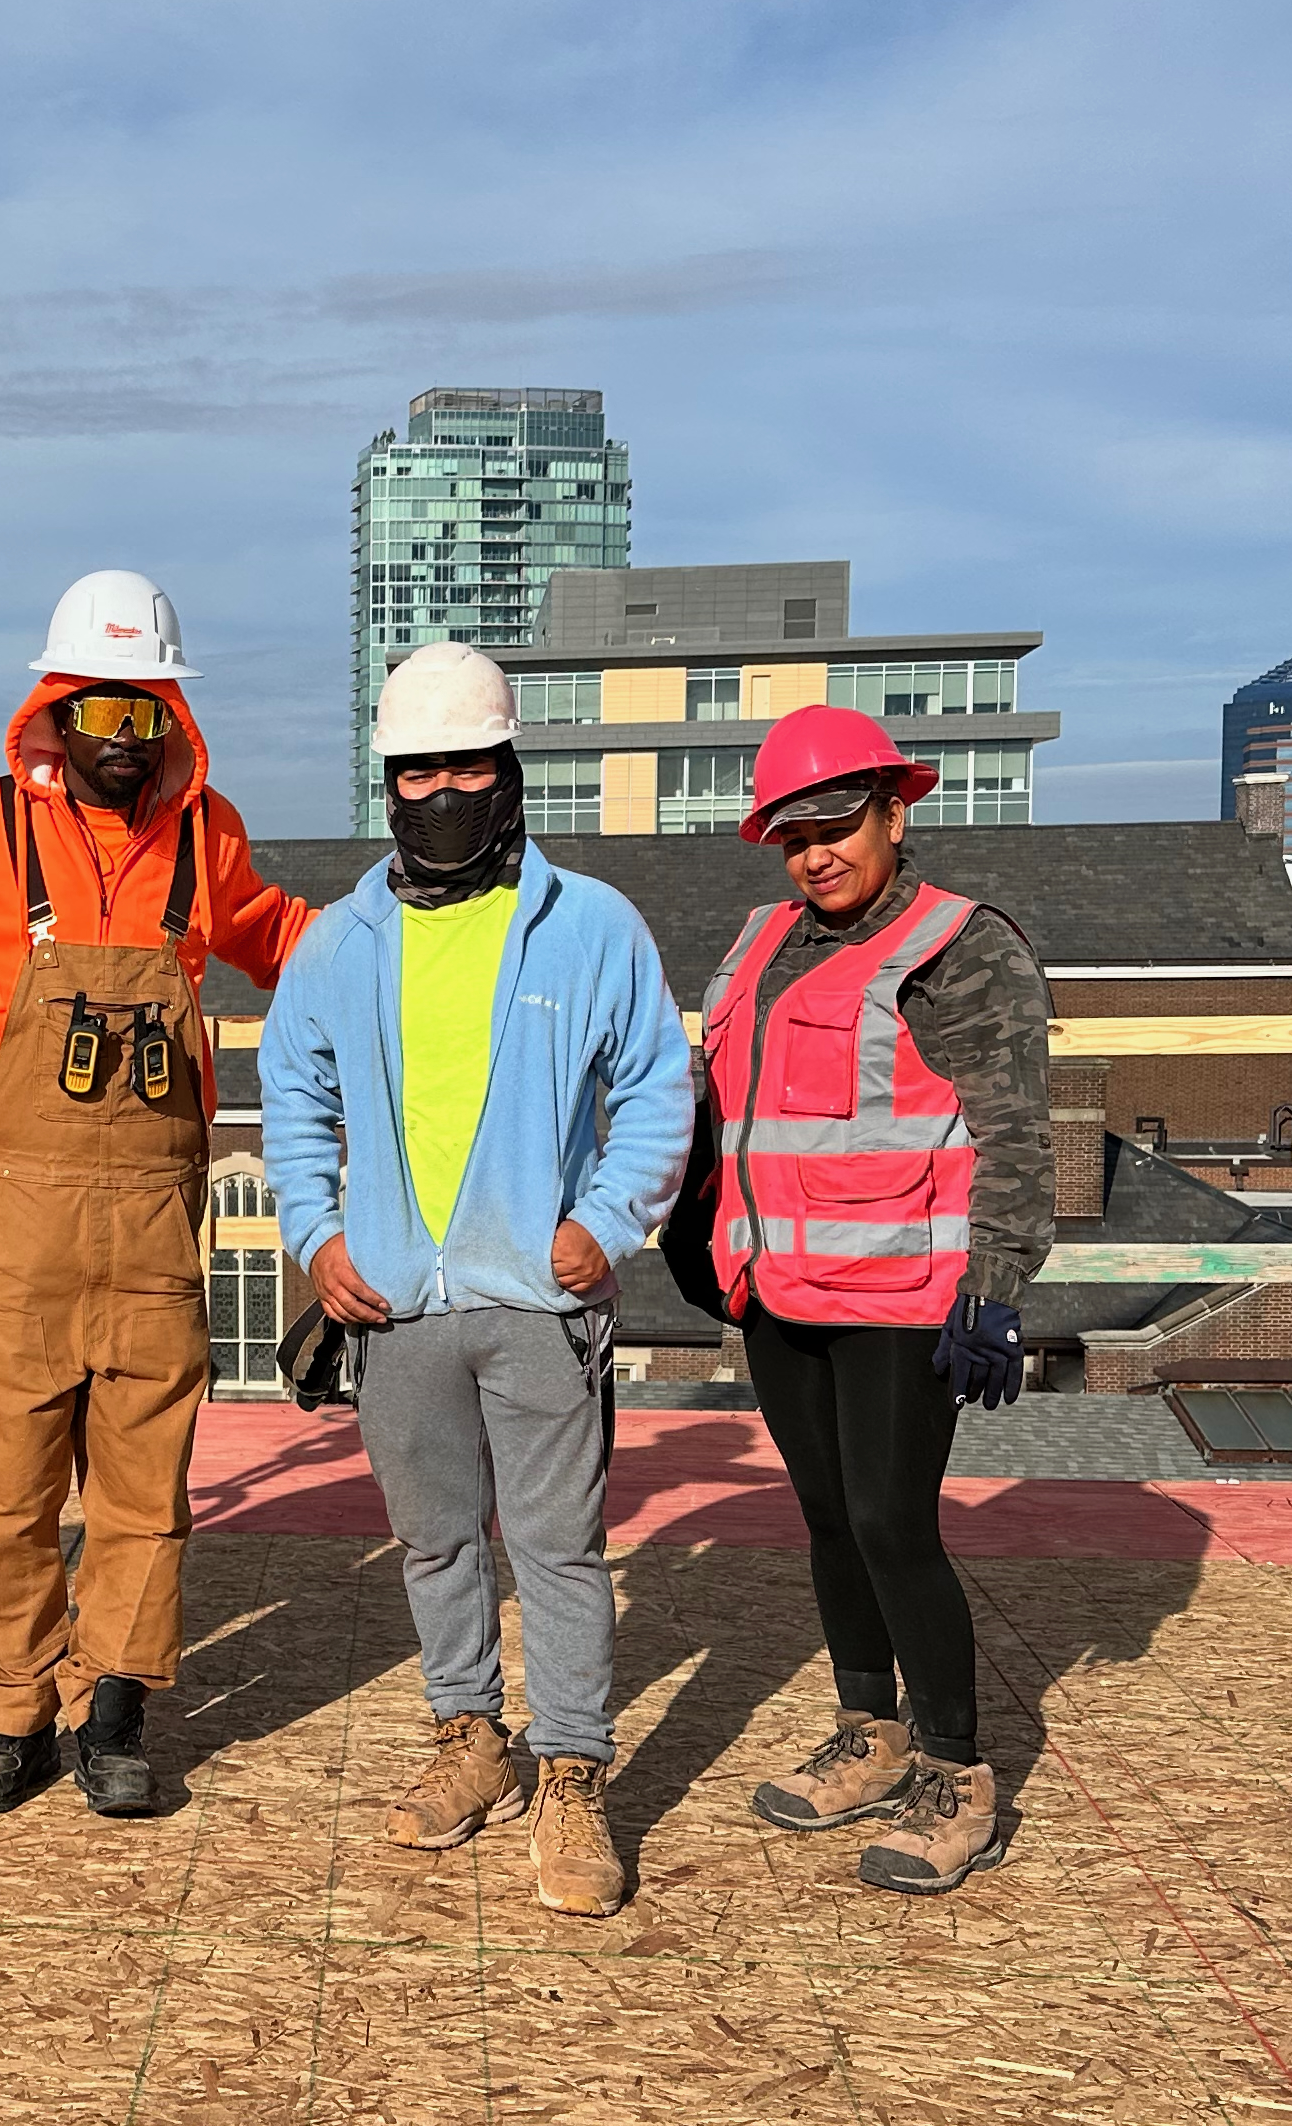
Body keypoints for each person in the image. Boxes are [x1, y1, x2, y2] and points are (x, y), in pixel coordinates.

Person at [0, 571, 312, 1819]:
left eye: (145, 716)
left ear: (171, 720)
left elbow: (285, 938)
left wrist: (415, 937)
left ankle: (120, 1714)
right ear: (53, 704)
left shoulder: (210, 835)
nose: (120, 742)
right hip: (15, 1208)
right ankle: (10, 1715)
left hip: (152, 1212)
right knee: (5, 1478)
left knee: (146, 1478)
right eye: (98, 711)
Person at [258, 644, 690, 1918]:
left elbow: (661, 1085)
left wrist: (607, 1225)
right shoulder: (341, 944)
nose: (439, 788)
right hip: (392, 1303)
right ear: (387, 783)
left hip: (540, 1303)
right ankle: (470, 1739)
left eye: (464, 765)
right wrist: (316, 1237)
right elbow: (293, 1092)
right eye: (415, 769)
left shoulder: (590, 925)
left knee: (559, 1547)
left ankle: (570, 1770)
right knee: (436, 1540)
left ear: (509, 774)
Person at [661, 705, 1053, 1897]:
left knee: (893, 1523)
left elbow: (1015, 1129)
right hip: (781, 1288)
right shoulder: (765, 938)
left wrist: (994, 1287)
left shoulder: (960, 947)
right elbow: (721, 1098)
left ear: (896, 809)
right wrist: (691, 1218)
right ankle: (869, 1730)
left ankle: (954, 1776)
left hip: (900, 1296)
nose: (816, 853)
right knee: (828, 1517)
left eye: (836, 826)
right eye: (793, 836)